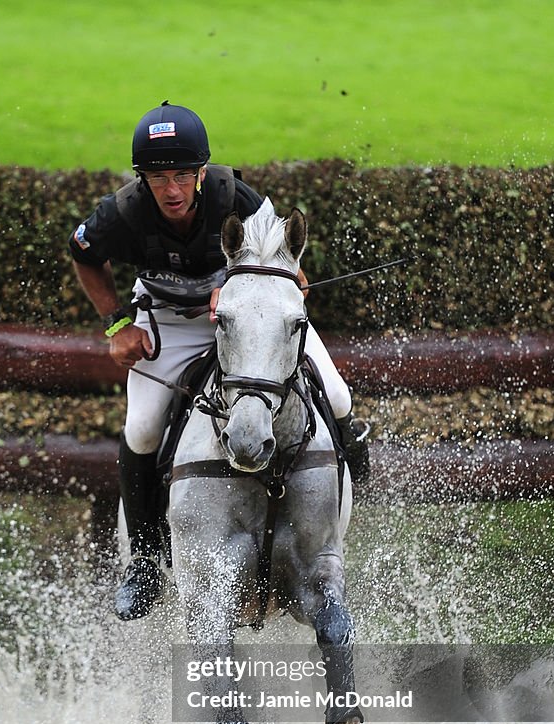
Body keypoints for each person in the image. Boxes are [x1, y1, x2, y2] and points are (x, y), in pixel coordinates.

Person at [69, 101, 369, 621]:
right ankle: (142, 562)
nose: (172, 190)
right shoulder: (121, 212)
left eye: (183, 175)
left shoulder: (235, 197)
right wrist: (117, 323)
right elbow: (84, 256)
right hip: (169, 321)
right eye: (159, 177)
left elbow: (279, 259)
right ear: (143, 178)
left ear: (201, 173)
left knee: (337, 394)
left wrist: (250, 284)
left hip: (248, 318)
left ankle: (345, 492)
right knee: (141, 429)